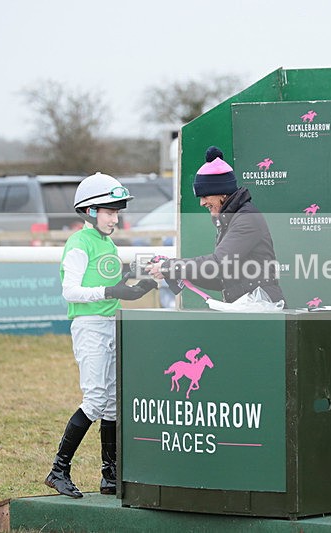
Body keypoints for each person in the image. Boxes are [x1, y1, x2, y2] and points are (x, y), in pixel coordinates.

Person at [45, 172, 157, 498]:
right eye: (109, 212)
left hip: (111, 325)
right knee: (95, 401)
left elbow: (110, 281)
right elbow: (70, 291)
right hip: (89, 327)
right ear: (90, 211)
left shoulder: (107, 243)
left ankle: (110, 476)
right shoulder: (78, 243)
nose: (115, 219)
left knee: (112, 404)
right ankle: (58, 470)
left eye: (117, 212)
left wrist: (136, 282)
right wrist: (111, 290)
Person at [147, 146, 286, 305]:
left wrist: (170, 266)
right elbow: (220, 278)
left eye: (205, 196)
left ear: (222, 192)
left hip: (261, 306)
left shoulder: (246, 218)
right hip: (251, 305)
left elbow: (218, 264)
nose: (202, 203)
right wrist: (175, 271)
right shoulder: (231, 218)